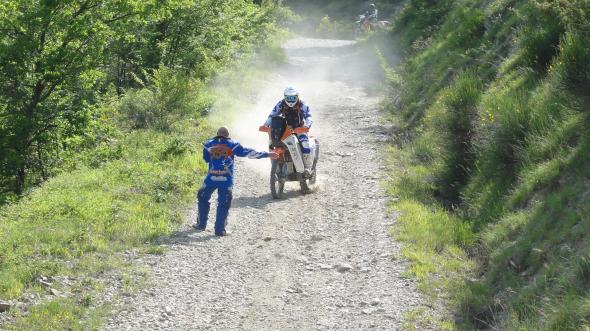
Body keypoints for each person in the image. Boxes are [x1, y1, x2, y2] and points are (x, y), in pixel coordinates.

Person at [194, 127, 277, 236]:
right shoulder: (233, 144)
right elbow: (249, 153)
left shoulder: (208, 144)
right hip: (226, 180)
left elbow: (206, 159)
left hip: (211, 179)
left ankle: (201, 225)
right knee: (223, 204)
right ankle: (220, 231)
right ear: (228, 135)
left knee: (202, 197)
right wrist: (268, 154)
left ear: (217, 134)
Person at [263, 87, 315, 177]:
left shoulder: (303, 105)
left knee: (305, 143)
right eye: (288, 98)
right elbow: (272, 115)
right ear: (285, 97)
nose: (291, 100)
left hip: (299, 128)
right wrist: (265, 125)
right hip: (284, 129)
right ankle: (275, 167)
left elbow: (309, 117)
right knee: (272, 143)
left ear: (297, 97)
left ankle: (307, 168)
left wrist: (306, 126)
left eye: (293, 98)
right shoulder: (281, 104)